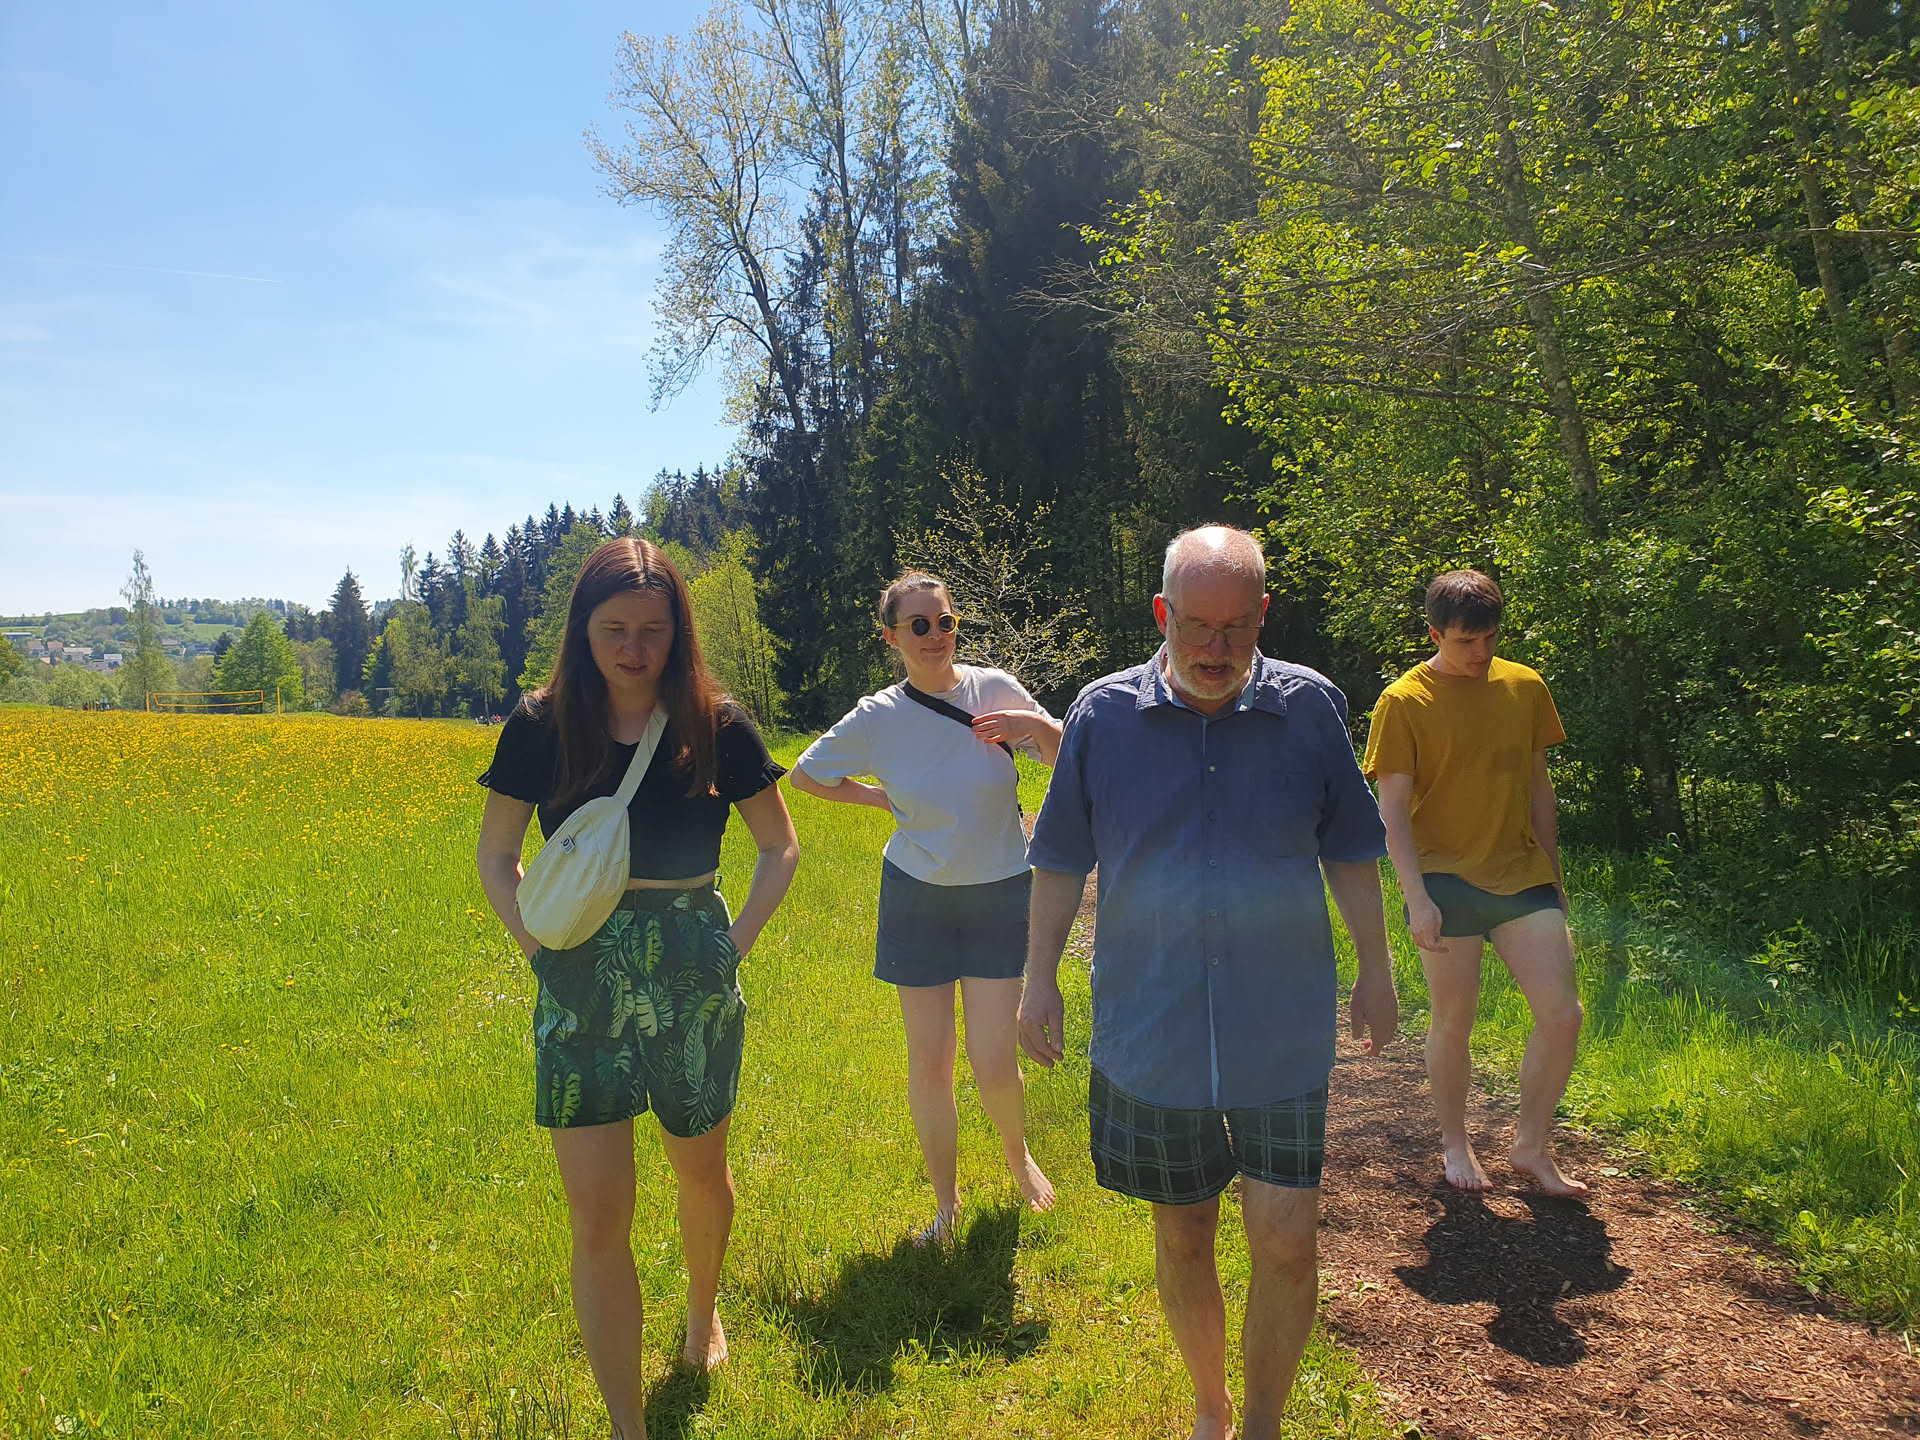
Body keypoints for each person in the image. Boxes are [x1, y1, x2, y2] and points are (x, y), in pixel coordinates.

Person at [1019, 525, 1399, 1440]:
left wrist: (1377, 967)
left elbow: (1350, 851)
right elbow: (1060, 859)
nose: (1217, 648)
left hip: (1281, 1026)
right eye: (1197, 625)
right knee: (1184, 1232)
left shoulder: (1310, 708)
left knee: (1286, 1239)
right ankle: (1211, 1408)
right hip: (1153, 1026)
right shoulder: (1102, 718)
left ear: (1263, 614)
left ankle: (1262, 1423)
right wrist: (1038, 980)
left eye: (1237, 627)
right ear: (1163, 613)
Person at [475, 537, 798, 1437]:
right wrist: (539, 955)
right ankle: (629, 1424)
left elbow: (780, 845)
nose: (633, 648)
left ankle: (702, 1313)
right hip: (577, 976)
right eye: (614, 628)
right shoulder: (540, 726)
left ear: (677, 632)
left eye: (653, 630)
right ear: (582, 629)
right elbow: (496, 856)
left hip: (692, 971)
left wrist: (731, 945)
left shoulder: (715, 724)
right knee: (597, 1216)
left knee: (700, 1170)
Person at [787, 571, 1058, 1244]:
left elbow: (1065, 756)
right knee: (930, 1062)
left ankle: (1018, 1156)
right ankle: (946, 1205)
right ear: (891, 637)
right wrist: (880, 799)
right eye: (918, 626)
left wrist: (1032, 724)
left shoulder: (994, 689)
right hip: (917, 896)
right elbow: (806, 774)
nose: (935, 636)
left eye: (945, 622)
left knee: (993, 1058)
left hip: (999, 889)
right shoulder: (878, 717)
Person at [1363, 569, 1585, 1196]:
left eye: (1489, 638)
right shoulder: (1404, 702)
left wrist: (1555, 874)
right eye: (1466, 641)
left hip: (1520, 872)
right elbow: (1392, 811)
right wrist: (1415, 898)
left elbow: (1539, 787)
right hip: (1445, 878)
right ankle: (1456, 1144)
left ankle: (1531, 1146)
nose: (1480, 653)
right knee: (1454, 1018)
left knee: (1563, 1015)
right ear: (1435, 634)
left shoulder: (1525, 686)